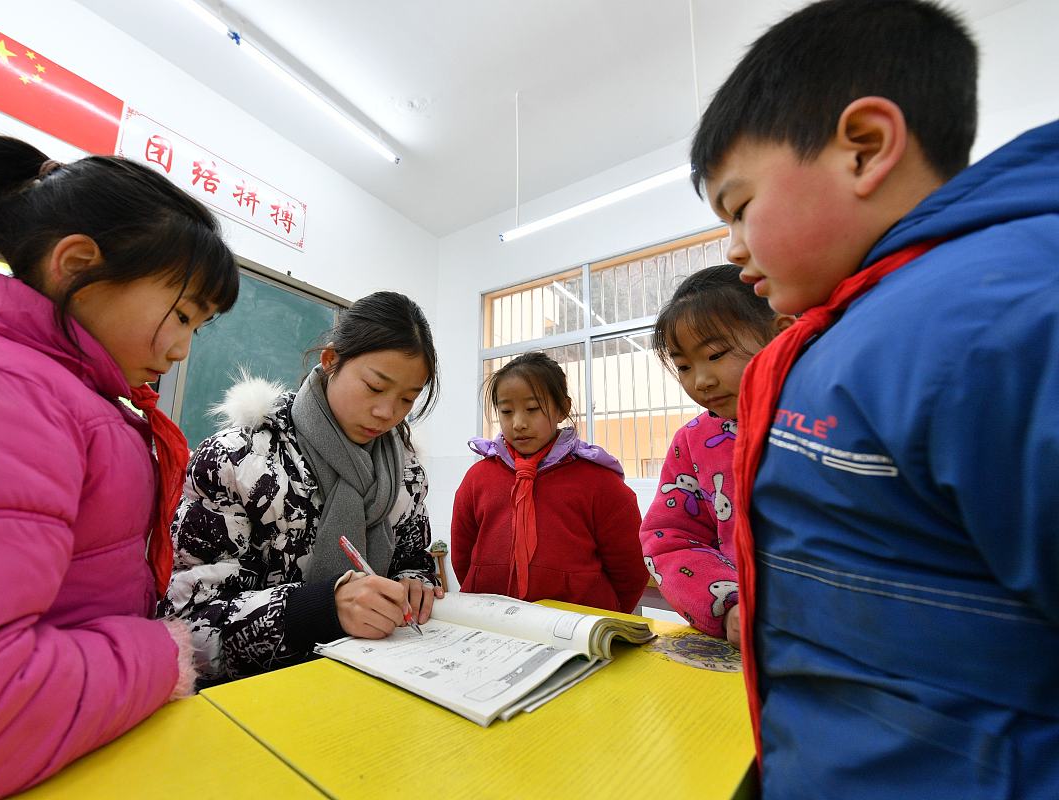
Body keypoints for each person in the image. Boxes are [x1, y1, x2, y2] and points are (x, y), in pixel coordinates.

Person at [690, 0, 1059, 796]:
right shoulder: (845, 333)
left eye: (740, 206)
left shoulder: (1007, 312)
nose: (732, 246)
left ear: (864, 148)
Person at [0, 135, 239, 796]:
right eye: (180, 314)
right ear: (75, 266)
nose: (181, 349)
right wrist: (161, 654)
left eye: (198, 328)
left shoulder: (57, 390)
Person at [161, 291, 442, 685]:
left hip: (375, 683)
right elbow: (186, 627)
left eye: (407, 399)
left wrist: (417, 582)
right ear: (331, 362)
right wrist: (322, 608)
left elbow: (414, 557)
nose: (387, 413)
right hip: (256, 700)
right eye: (375, 387)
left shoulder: (405, 472)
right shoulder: (240, 460)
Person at [639, 264, 792, 645]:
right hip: (751, 643)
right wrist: (729, 606)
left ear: (782, 335)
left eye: (716, 354)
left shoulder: (832, 418)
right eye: (684, 366)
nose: (701, 381)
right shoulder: (692, 442)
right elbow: (669, 537)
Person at [451, 352, 648, 613]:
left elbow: (630, 569)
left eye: (532, 409)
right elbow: (463, 555)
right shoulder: (478, 477)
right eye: (506, 411)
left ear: (562, 409)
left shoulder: (600, 482)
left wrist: (607, 618)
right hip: (491, 624)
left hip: (578, 630)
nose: (518, 423)